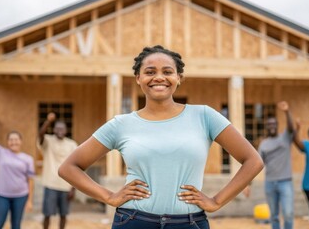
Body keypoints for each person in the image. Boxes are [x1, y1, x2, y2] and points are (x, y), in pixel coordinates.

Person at [58, 45, 264, 229]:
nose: (159, 77)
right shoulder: (121, 124)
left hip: (189, 223)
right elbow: (69, 168)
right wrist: (109, 196)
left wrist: (217, 201)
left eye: (167, 71)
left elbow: (253, 161)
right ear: (138, 78)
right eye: (150, 72)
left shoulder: (204, 116)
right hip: (134, 221)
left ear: (179, 78)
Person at [0, 111, 34, 229]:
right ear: (8, 142)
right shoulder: (0, 153)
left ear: (21, 141)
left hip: (21, 196)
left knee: (16, 225)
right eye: (11, 140)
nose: (14, 142)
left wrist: (29, 200)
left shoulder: (28, 159)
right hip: (1, 195)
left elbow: (30, 181)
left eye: (16, 139)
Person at [256, 101, 295, 229]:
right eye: (269, 124)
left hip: (285, 182)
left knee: (288, 214)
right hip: (270, 183)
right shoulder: (264, 144)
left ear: (277, 125)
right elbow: (257, 164)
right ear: (267, 127)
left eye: (274, 123)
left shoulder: (285, 137)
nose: (271, 126)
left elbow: (291, 127)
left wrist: (286, 111)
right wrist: (247, 184)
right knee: (274, 215)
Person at [38, 113, 77, 229]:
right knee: (47, 214)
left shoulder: (72, 144)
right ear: (54, 129)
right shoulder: (48, 141)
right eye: (57, 128)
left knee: (63, 215)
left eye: (62, 128)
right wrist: (47, 122)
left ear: (66, 130)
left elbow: (76, 166)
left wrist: (73, 187)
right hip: (50, 184)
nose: (60, 130)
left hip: (66, 186)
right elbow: (40, 135)